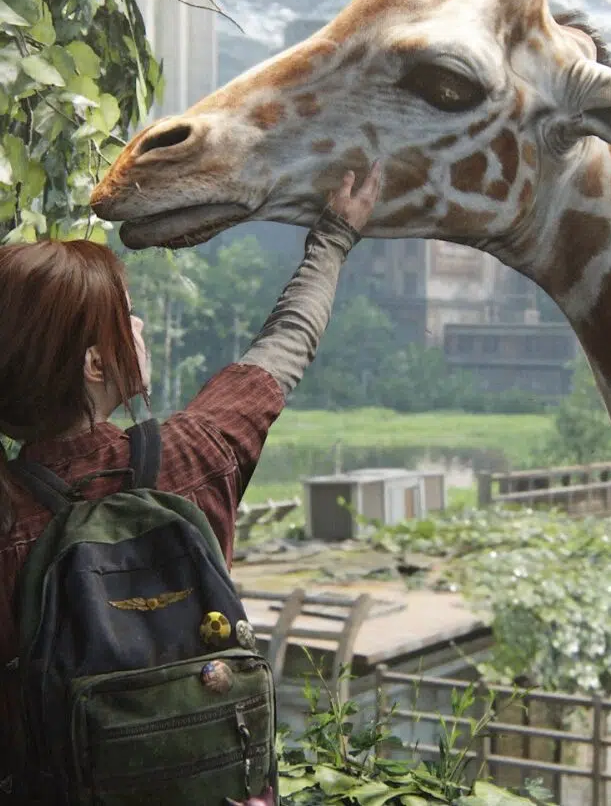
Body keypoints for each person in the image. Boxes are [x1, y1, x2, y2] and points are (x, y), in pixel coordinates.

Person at [0, 161, 382, 802]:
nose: (140, 328)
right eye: (127, 317)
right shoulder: (193, 459)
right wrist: (335, 236)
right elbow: (287, 343)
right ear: (96, 364)